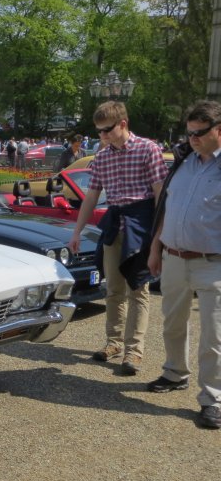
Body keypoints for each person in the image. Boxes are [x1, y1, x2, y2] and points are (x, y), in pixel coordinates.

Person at [67, 101, 168, 375]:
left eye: (106, 130)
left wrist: (159, 236)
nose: (102, 136)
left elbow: (160, 195)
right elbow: (91, 196)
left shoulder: (149, 149)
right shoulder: (102, 157)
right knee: (113, 288)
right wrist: (76, 232)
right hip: (114, 224)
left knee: (139, 289)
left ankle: (133, 351)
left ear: (123, 124)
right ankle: (113, 343)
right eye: (99, 131)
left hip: (141, 223)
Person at [146, 100, 221, 429]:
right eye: (189, 132)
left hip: (212, 264)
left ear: (219, 130)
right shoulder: (182, 163)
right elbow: (167, 208)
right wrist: (155, 247)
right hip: (173, 257)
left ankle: (213, 398)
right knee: (172, 323)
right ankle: (175, 373)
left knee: (214, 336)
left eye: (200, 133)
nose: (193, 138)